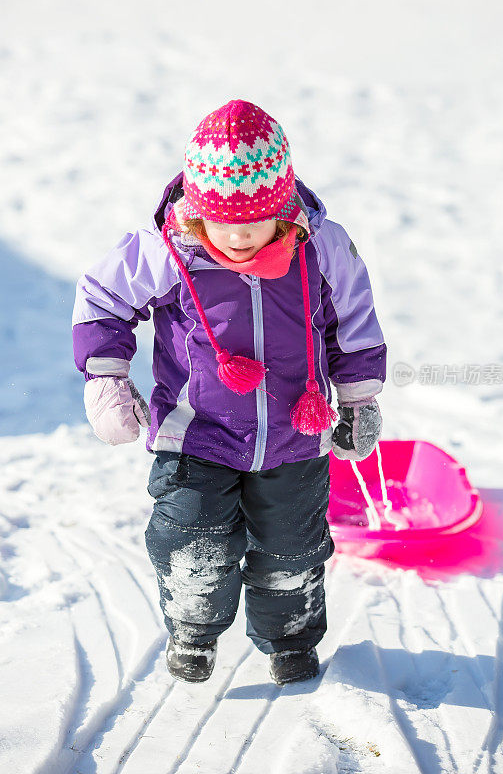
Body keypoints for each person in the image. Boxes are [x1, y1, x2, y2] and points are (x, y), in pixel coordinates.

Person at [72, 99, 387, 686]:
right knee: (190, 536)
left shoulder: (321, 248)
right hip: (195, 434)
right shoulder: (165, 249)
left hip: (296, 433)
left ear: (282, 208)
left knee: (292, 547)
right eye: (224, 226)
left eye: (255, 225)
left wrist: (359, 399)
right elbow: (101, 300)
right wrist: (109, 378)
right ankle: (193, 628)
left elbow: (355, 322)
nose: (239, 239)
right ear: (198, 213)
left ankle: (290, 638)